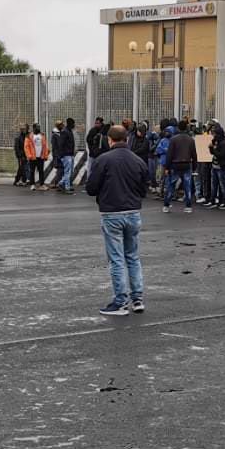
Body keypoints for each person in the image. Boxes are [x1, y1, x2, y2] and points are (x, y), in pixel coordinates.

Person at [83, 123, 151, 316]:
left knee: (116, 259)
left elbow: (91, 188)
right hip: (133, 212)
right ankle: (137, 299)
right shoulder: (138, 160)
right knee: (133, 256)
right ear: (127, 139)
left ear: (110, 140)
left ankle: (120, 301)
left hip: (111, 213)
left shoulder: (103, 160)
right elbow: (143, 188)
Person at [163, 118, 198, 213]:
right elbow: (194, 154)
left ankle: (166, 204)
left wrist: (167, 167)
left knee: (171, 185)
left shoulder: (173, 139)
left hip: (175, 164)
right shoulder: (190, 140)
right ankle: (188, 206)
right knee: (187, 186)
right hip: (186, 164)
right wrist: (195, 167)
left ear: (178, 128)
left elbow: (169, 154)